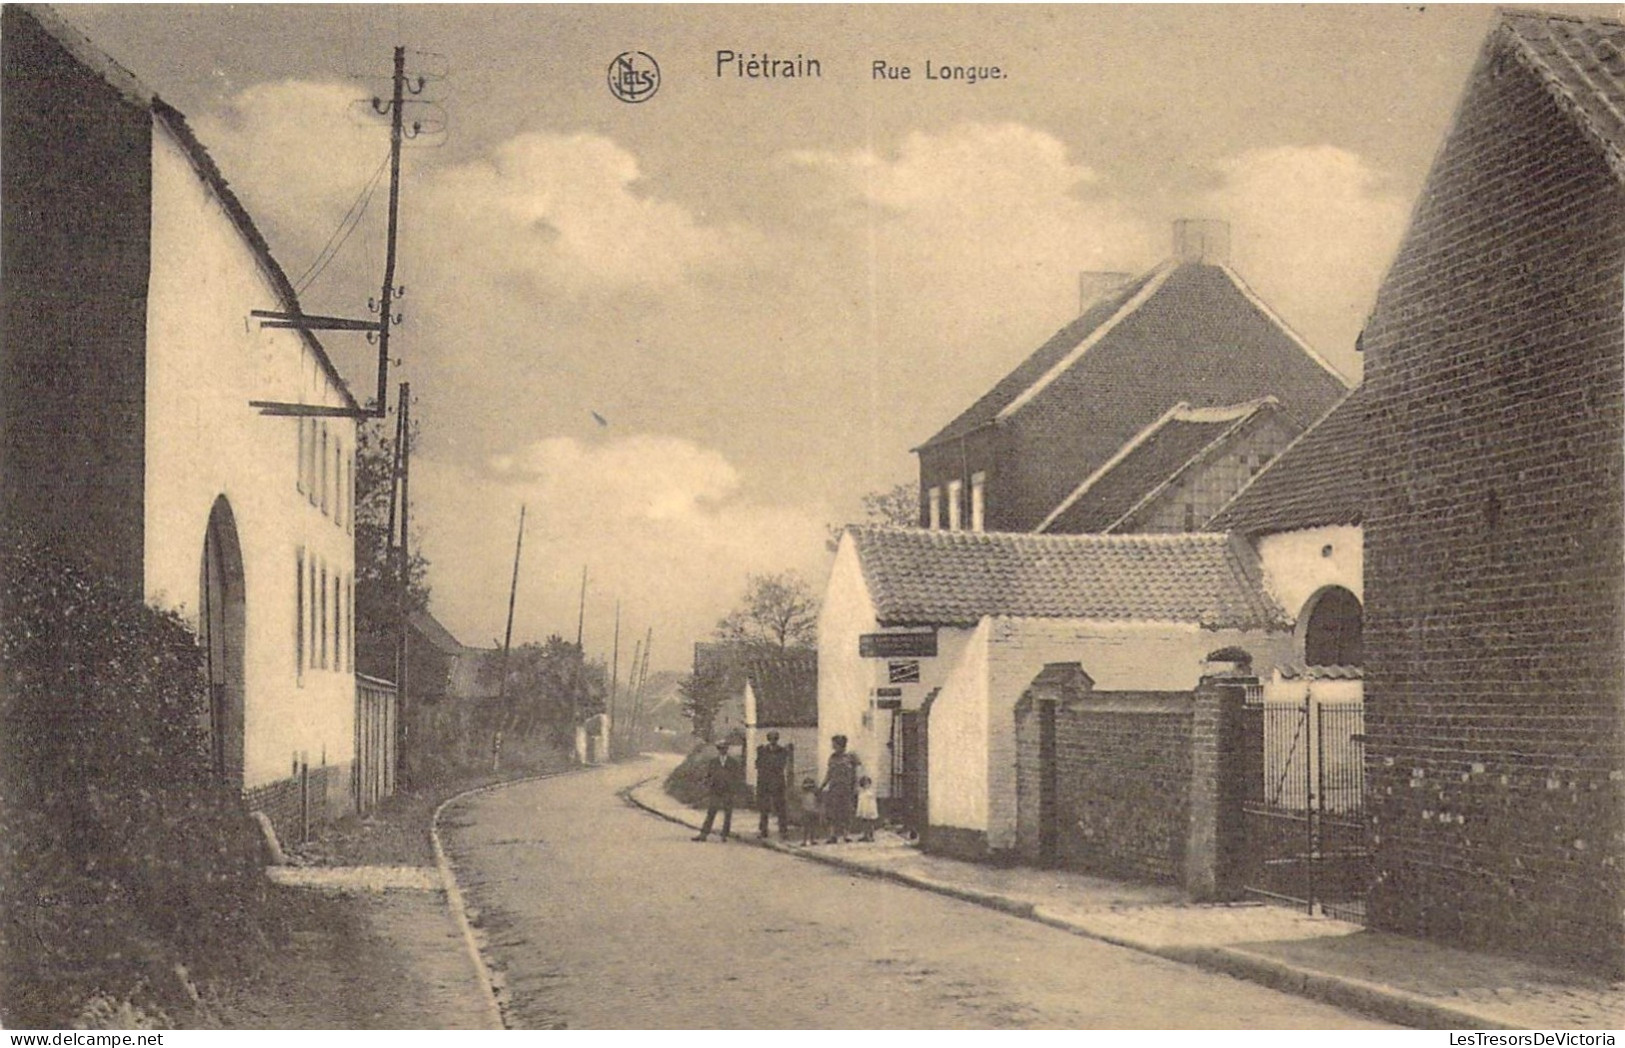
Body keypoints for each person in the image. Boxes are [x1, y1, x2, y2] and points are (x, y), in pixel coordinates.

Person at [693, 740, 739, 842]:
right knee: (711, 811)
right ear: (718, 750)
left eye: (725, 748)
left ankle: (725, 835)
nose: (723, 750)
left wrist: (734, 789)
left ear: (727, 749)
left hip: (728, 790)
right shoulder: (713, 762)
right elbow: (709, 775)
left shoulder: (733, 762)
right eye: (721, 748)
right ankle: (704, 834)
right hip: (716, 790)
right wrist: (706, 783)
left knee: (728, 813)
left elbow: (737, 777)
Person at [820, 734, 861, 843]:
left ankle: (846, 835)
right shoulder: (832, 758)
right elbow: (829, 774)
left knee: (846, 812)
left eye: (835, 744)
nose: (833, 746)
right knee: (832, 812)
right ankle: (832, 836)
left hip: (847, 789)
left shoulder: (850, 757)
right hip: (834, 788)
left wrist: (856, 787)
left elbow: (855, 773)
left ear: (841, 745)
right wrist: (822, 786)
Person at [755, 730, 792, 840]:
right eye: (771, 739)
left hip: (777, 782)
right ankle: (763, 830)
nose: (773, 741)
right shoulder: (762, 750)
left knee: (780, 808)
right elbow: (758, 765)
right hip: (764, 782)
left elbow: (781, 765)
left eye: (775, 739)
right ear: (768, 739)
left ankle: (783, 831)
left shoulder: (782, 751)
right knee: (764, 808)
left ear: (777, 739)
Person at [798, 776, 821, 845]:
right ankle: (809, 840)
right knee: (810, 827)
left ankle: (808, 840)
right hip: (810, 811)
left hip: (809, 811)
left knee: (808, 827)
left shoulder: (804, 795)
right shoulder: (812, 795)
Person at [855, 775, 879, 842]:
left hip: (869, 809)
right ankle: (865, 835)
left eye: (867, 784)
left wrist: (871, 811)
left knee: (870, 824)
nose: (866, 785)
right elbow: (860, 802)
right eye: (864, 784)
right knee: (864, 823)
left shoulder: (870, 793)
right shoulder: (861, 792)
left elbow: (872, 802)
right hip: (863, 810)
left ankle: (870, 836)